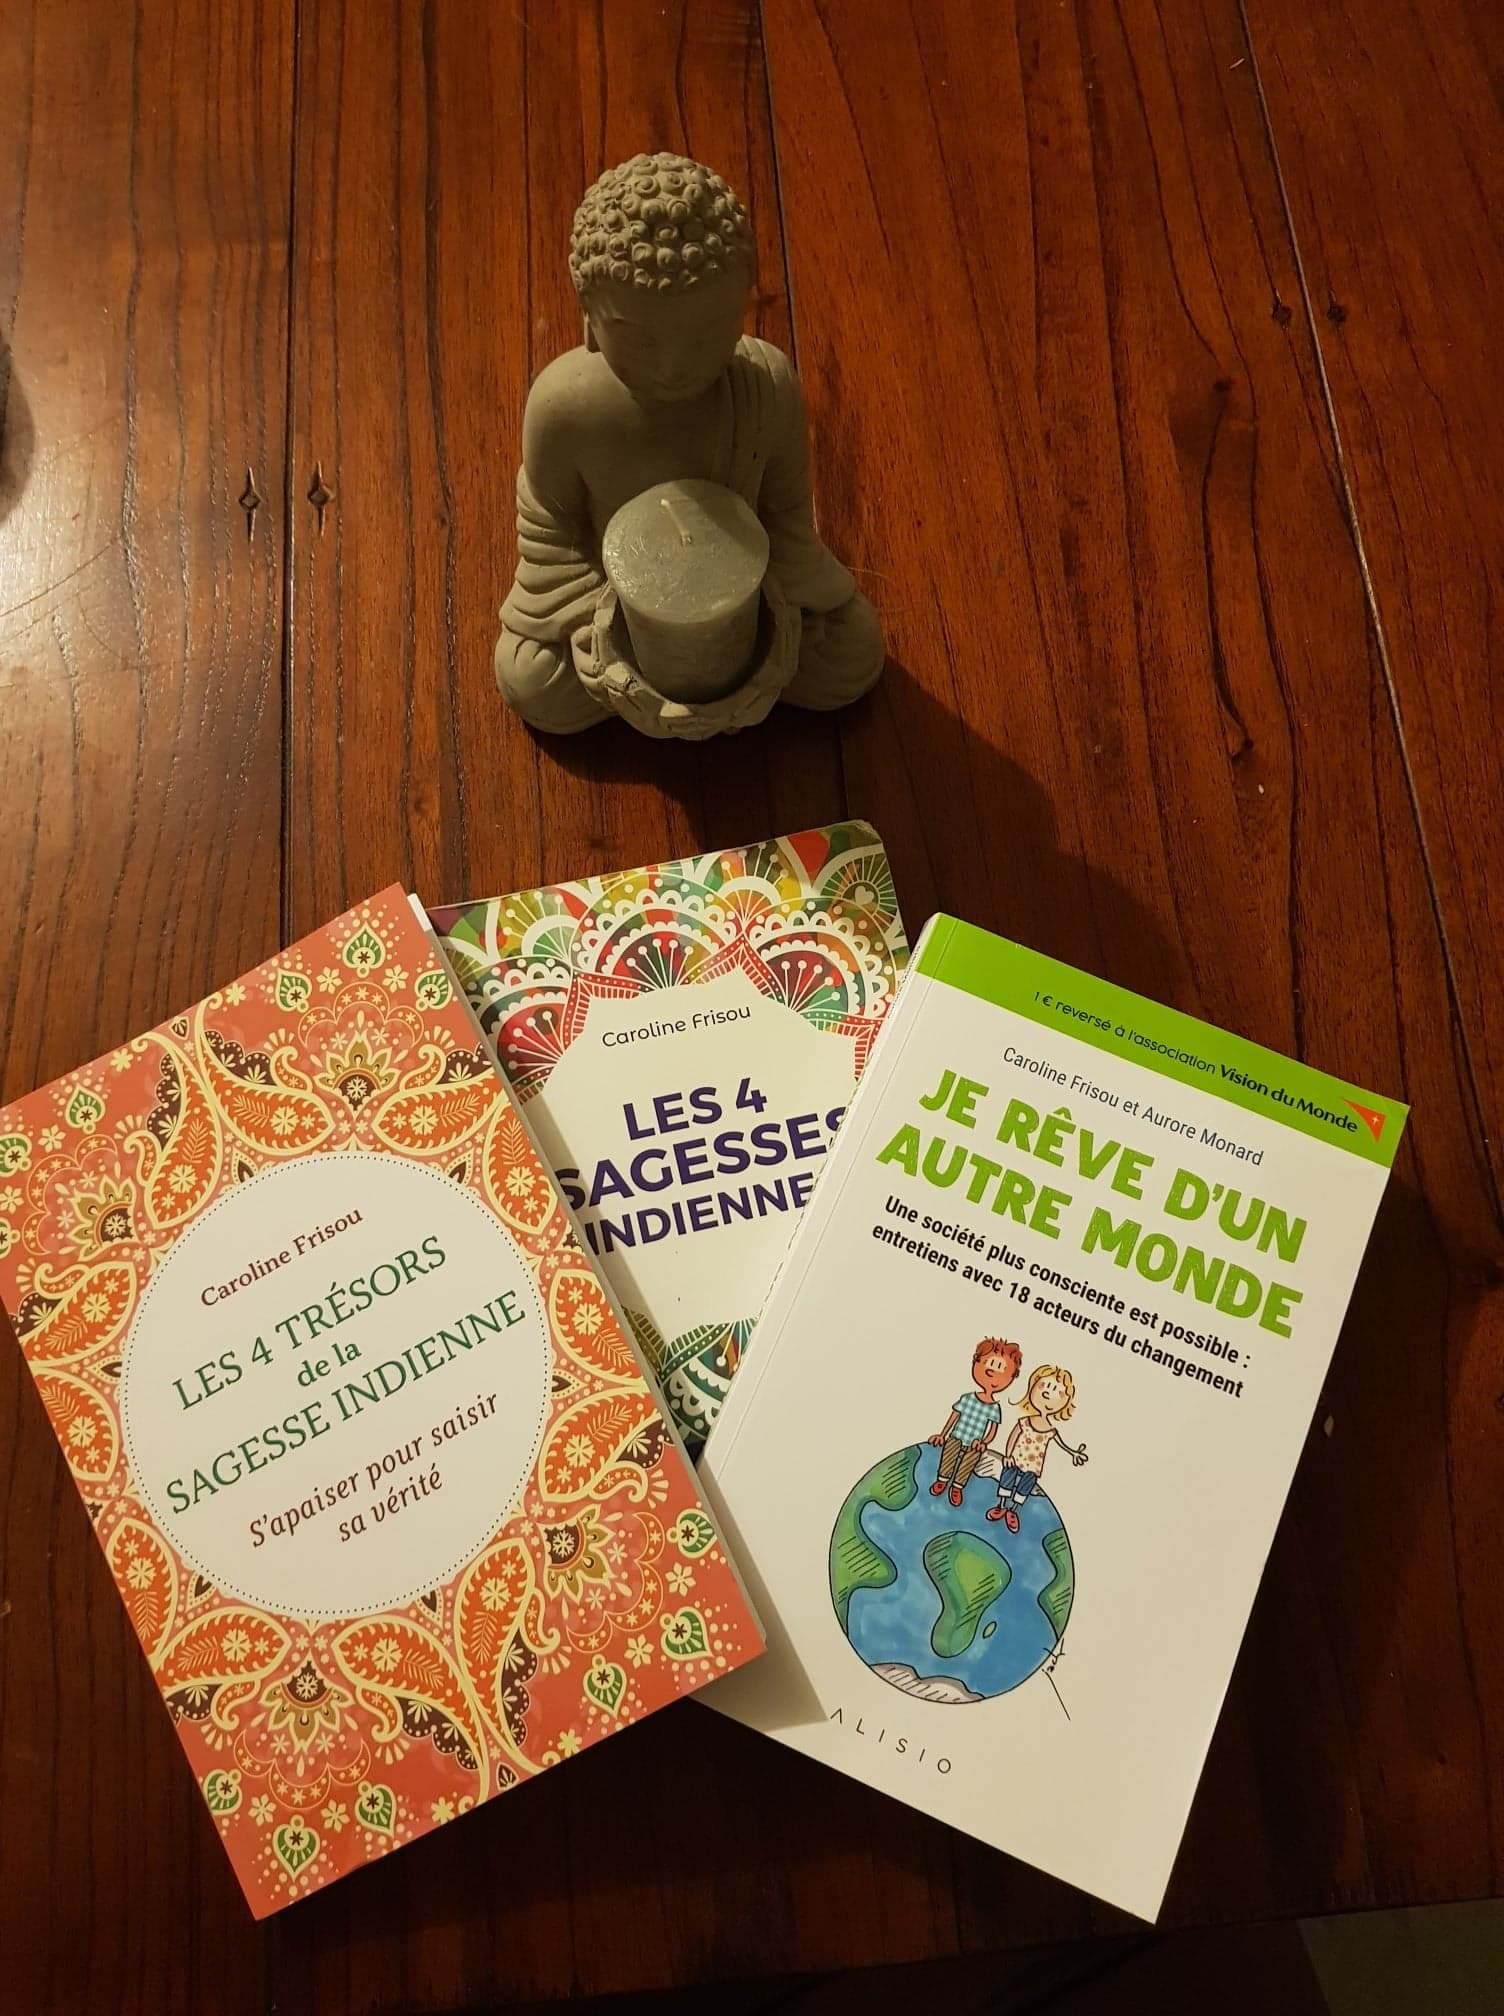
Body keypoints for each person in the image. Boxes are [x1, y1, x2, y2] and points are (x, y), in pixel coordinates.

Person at [497, 153, 883, 736]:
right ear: (589, 320)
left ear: (741, 311)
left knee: (851, 649)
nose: (674, 367)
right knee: (531, 678)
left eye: (706, 334)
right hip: (607, 602)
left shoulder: (766, 387)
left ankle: (737, 672)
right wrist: (595, 629)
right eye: (639, 339)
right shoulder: (564, 407)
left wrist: (772, 616)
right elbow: (550, 533)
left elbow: (786, 523)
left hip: (748, 600)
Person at [988, 1364, 1087, 1532]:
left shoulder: (1050, 1430)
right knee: (1007, 1479)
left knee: (1025, 1487)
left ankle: (1013, 1511)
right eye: (1044, 1389)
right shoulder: (1025, 1422)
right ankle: (1002, 1506)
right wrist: (1008, 1455)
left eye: (1058, 1394)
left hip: (1033, 1467)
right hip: (1015, 1460)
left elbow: (1061, 1444)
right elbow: (1013, 1437)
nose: (1048, 1397)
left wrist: (1074, 1453)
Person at [928, 1339, 1023, 1507]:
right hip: (957, 1436)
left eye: (1001, 1369)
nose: (993, 1372)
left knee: (968, 1464)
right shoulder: (967, 1398)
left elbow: (992, 1430)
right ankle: (942, 1480)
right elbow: (954, 1416)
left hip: (975, 1443)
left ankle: (957, 1487)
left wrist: (984, 1442)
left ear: (1011, 1377)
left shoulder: (994, 1408)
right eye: (989, 1364)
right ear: (976, 1362)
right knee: (948, 1457)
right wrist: (942, 1435)